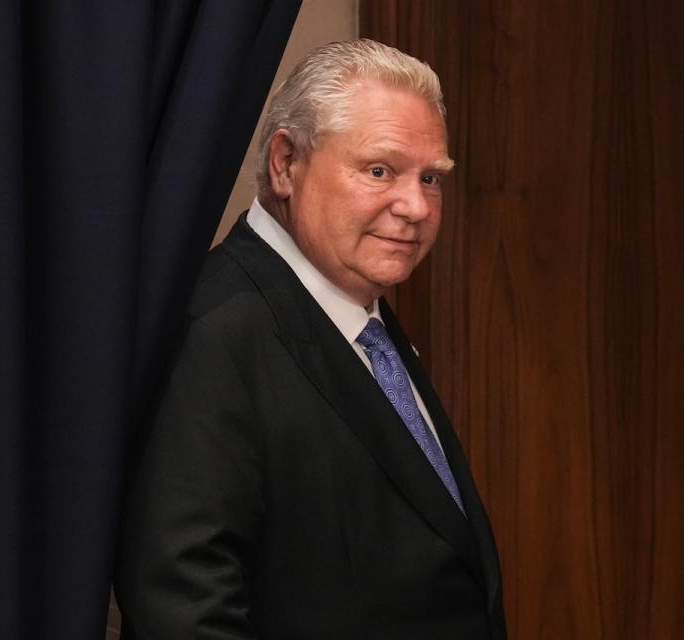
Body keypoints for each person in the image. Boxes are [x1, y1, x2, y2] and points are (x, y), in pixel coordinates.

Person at [115, 39, 506, 640]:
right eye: (380, 170)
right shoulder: (215, 332)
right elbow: (185, 610)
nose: (416, 206)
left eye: (431, 178)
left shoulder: (356, 305)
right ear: (285, 164)